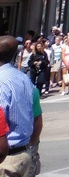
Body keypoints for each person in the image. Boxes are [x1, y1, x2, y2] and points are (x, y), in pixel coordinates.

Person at [0, 34, 42, 176]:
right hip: (23, 154)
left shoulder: (1, 81)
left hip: (5, 158)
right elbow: (37, 119)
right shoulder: (23, 78)